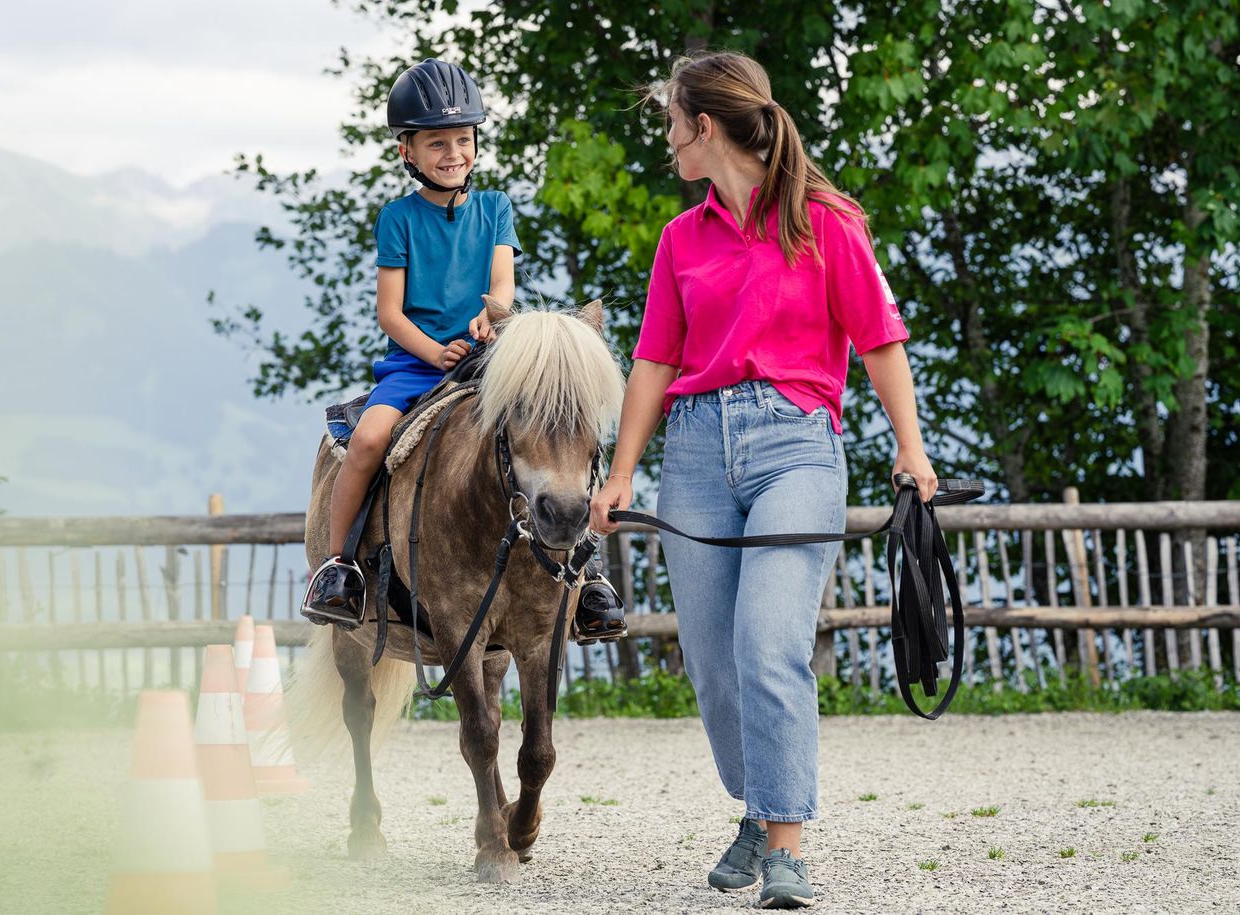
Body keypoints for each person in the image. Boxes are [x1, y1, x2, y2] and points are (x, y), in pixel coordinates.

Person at [589, 52, 937, 909]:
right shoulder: (682, 238)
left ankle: (785, 844)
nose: (668, 139)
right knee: (711, 659)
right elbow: (654, 362)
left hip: (796, 445)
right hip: (697, 450)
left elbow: (881, 341)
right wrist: (621, 469)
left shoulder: (828, 222)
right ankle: (759, 803)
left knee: (768, 641)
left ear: (704, 128)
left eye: (673, 122)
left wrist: (912, 448)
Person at [304, 58, 626, 642]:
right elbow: (390, 314)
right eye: (436, 143)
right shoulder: (397, 219)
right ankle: (339, 566)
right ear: (408, 151)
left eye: (462, 140)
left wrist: (490, 314)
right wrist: (433, 353)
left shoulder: (495, 207)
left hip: (490, 358)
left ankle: (587, 573)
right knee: (371, 439)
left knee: (560, 431)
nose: (452, 153)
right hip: (415, 363)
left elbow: (502, 283)